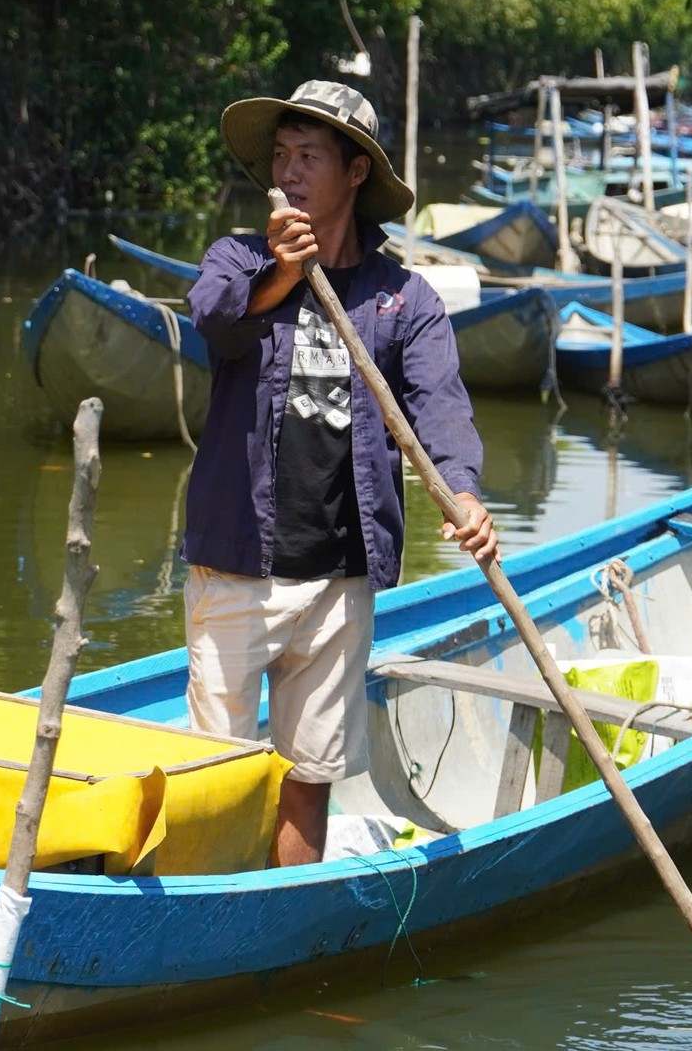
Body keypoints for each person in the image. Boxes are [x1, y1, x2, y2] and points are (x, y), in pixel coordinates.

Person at [181, 78, 497, 867]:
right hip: (233, 564)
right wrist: (284, 276)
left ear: (355, 173)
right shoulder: (239, 259)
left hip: (336, 580)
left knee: (309, 772)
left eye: (309, 157)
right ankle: (208, 917)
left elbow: (440, 408)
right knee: (210, 773)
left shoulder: (402, 299)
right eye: (281, 156)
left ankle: (289, 911)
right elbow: (213, 319)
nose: (289, 173)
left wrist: (462, 493)